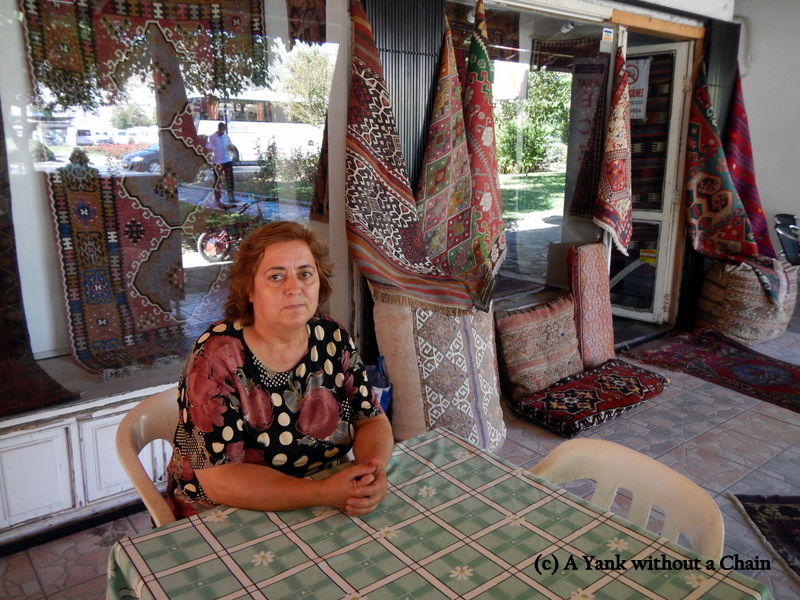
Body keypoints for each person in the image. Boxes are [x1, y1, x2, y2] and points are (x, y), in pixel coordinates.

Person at [167, 221, 394, 519]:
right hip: (225, 510)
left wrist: (371, 474)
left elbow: (370, 420)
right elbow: (218, 480)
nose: (294, 289)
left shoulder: (333, 338)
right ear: (249, 289)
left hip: (322, 491)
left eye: (305, 274)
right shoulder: (215, 356)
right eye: (276, 276)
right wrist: (324, 492)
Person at [206, 121, 236, 208]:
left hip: (227, 159)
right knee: (218, 180)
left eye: (224, 129)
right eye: (222, 129)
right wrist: (209, 161)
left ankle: (231, 195)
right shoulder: (211, 137)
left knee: (230, 178)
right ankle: (217, 198)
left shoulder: (226, 137)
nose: (223, 131)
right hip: (217, 161)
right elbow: (208, 149)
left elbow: (231, 147)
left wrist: (231, 148)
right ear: (218, 128)